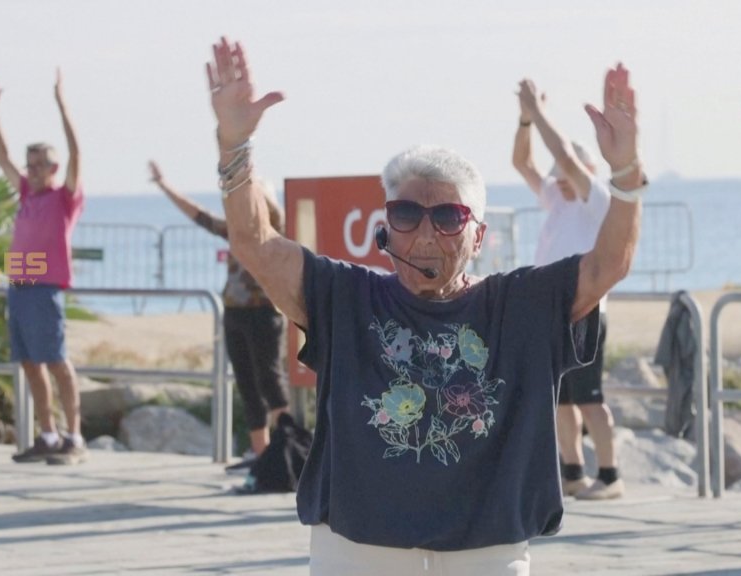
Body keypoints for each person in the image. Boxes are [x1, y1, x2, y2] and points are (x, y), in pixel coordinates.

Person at [205, 36, 645, 573]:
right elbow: (254, 243)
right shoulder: (344, 296)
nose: (426, 234)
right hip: (359, 549)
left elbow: (608, 265)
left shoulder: (520, 304)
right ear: (386, 225)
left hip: (487, 550)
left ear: (478, 236)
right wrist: (234, 144)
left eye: (449, 218)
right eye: (407, 214)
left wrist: (625, 176)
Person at [512, 79, 623, 500]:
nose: (558, 179)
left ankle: (610, 475)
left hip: (588, 309)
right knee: (560, 399)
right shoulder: (558, 199)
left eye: (566, 173)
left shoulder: (597, 199)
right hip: (552, 311)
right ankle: (573, 471)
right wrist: (525, 119)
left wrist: (540, 113)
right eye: (557, 176)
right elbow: (522, 162)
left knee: (591, 398)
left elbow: (564, 158)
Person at [148, 160, 290, 467]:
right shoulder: (236, 232)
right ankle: (261, 453)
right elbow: (198, 215)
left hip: (265, 313)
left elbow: (267, 207)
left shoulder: (276, 230)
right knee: (247, 384)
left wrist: (246, 180)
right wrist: (164, 185)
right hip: (234, 313)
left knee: (271, 381)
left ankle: (285, 449)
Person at [0, 70, 87, 465]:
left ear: (53, 168)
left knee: (57, 362)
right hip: (20, 286)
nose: (31, 171)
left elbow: (77, 154)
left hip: (45, 288)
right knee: (29, 363)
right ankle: (47, 434)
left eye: (40, 164)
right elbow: (0, 155)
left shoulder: (65, 198)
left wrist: (62, 105)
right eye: (29, 165)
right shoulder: (26, 192)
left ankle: (74, 437)